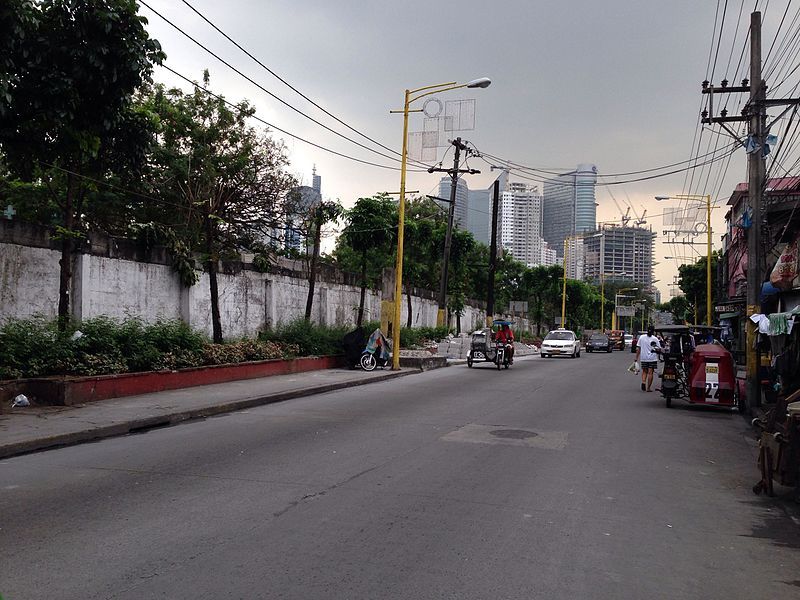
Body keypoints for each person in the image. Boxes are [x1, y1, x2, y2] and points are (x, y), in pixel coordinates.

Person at [635, 325, 662, 392]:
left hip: (644, 358)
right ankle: (648, 388)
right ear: (653, 331)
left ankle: (643, 382)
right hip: (652, 358)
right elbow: (659, 349)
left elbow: (638, 348)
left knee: (644, 371)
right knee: (650, 373)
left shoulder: (641, 337)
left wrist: (636, 358)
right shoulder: (655, 339)